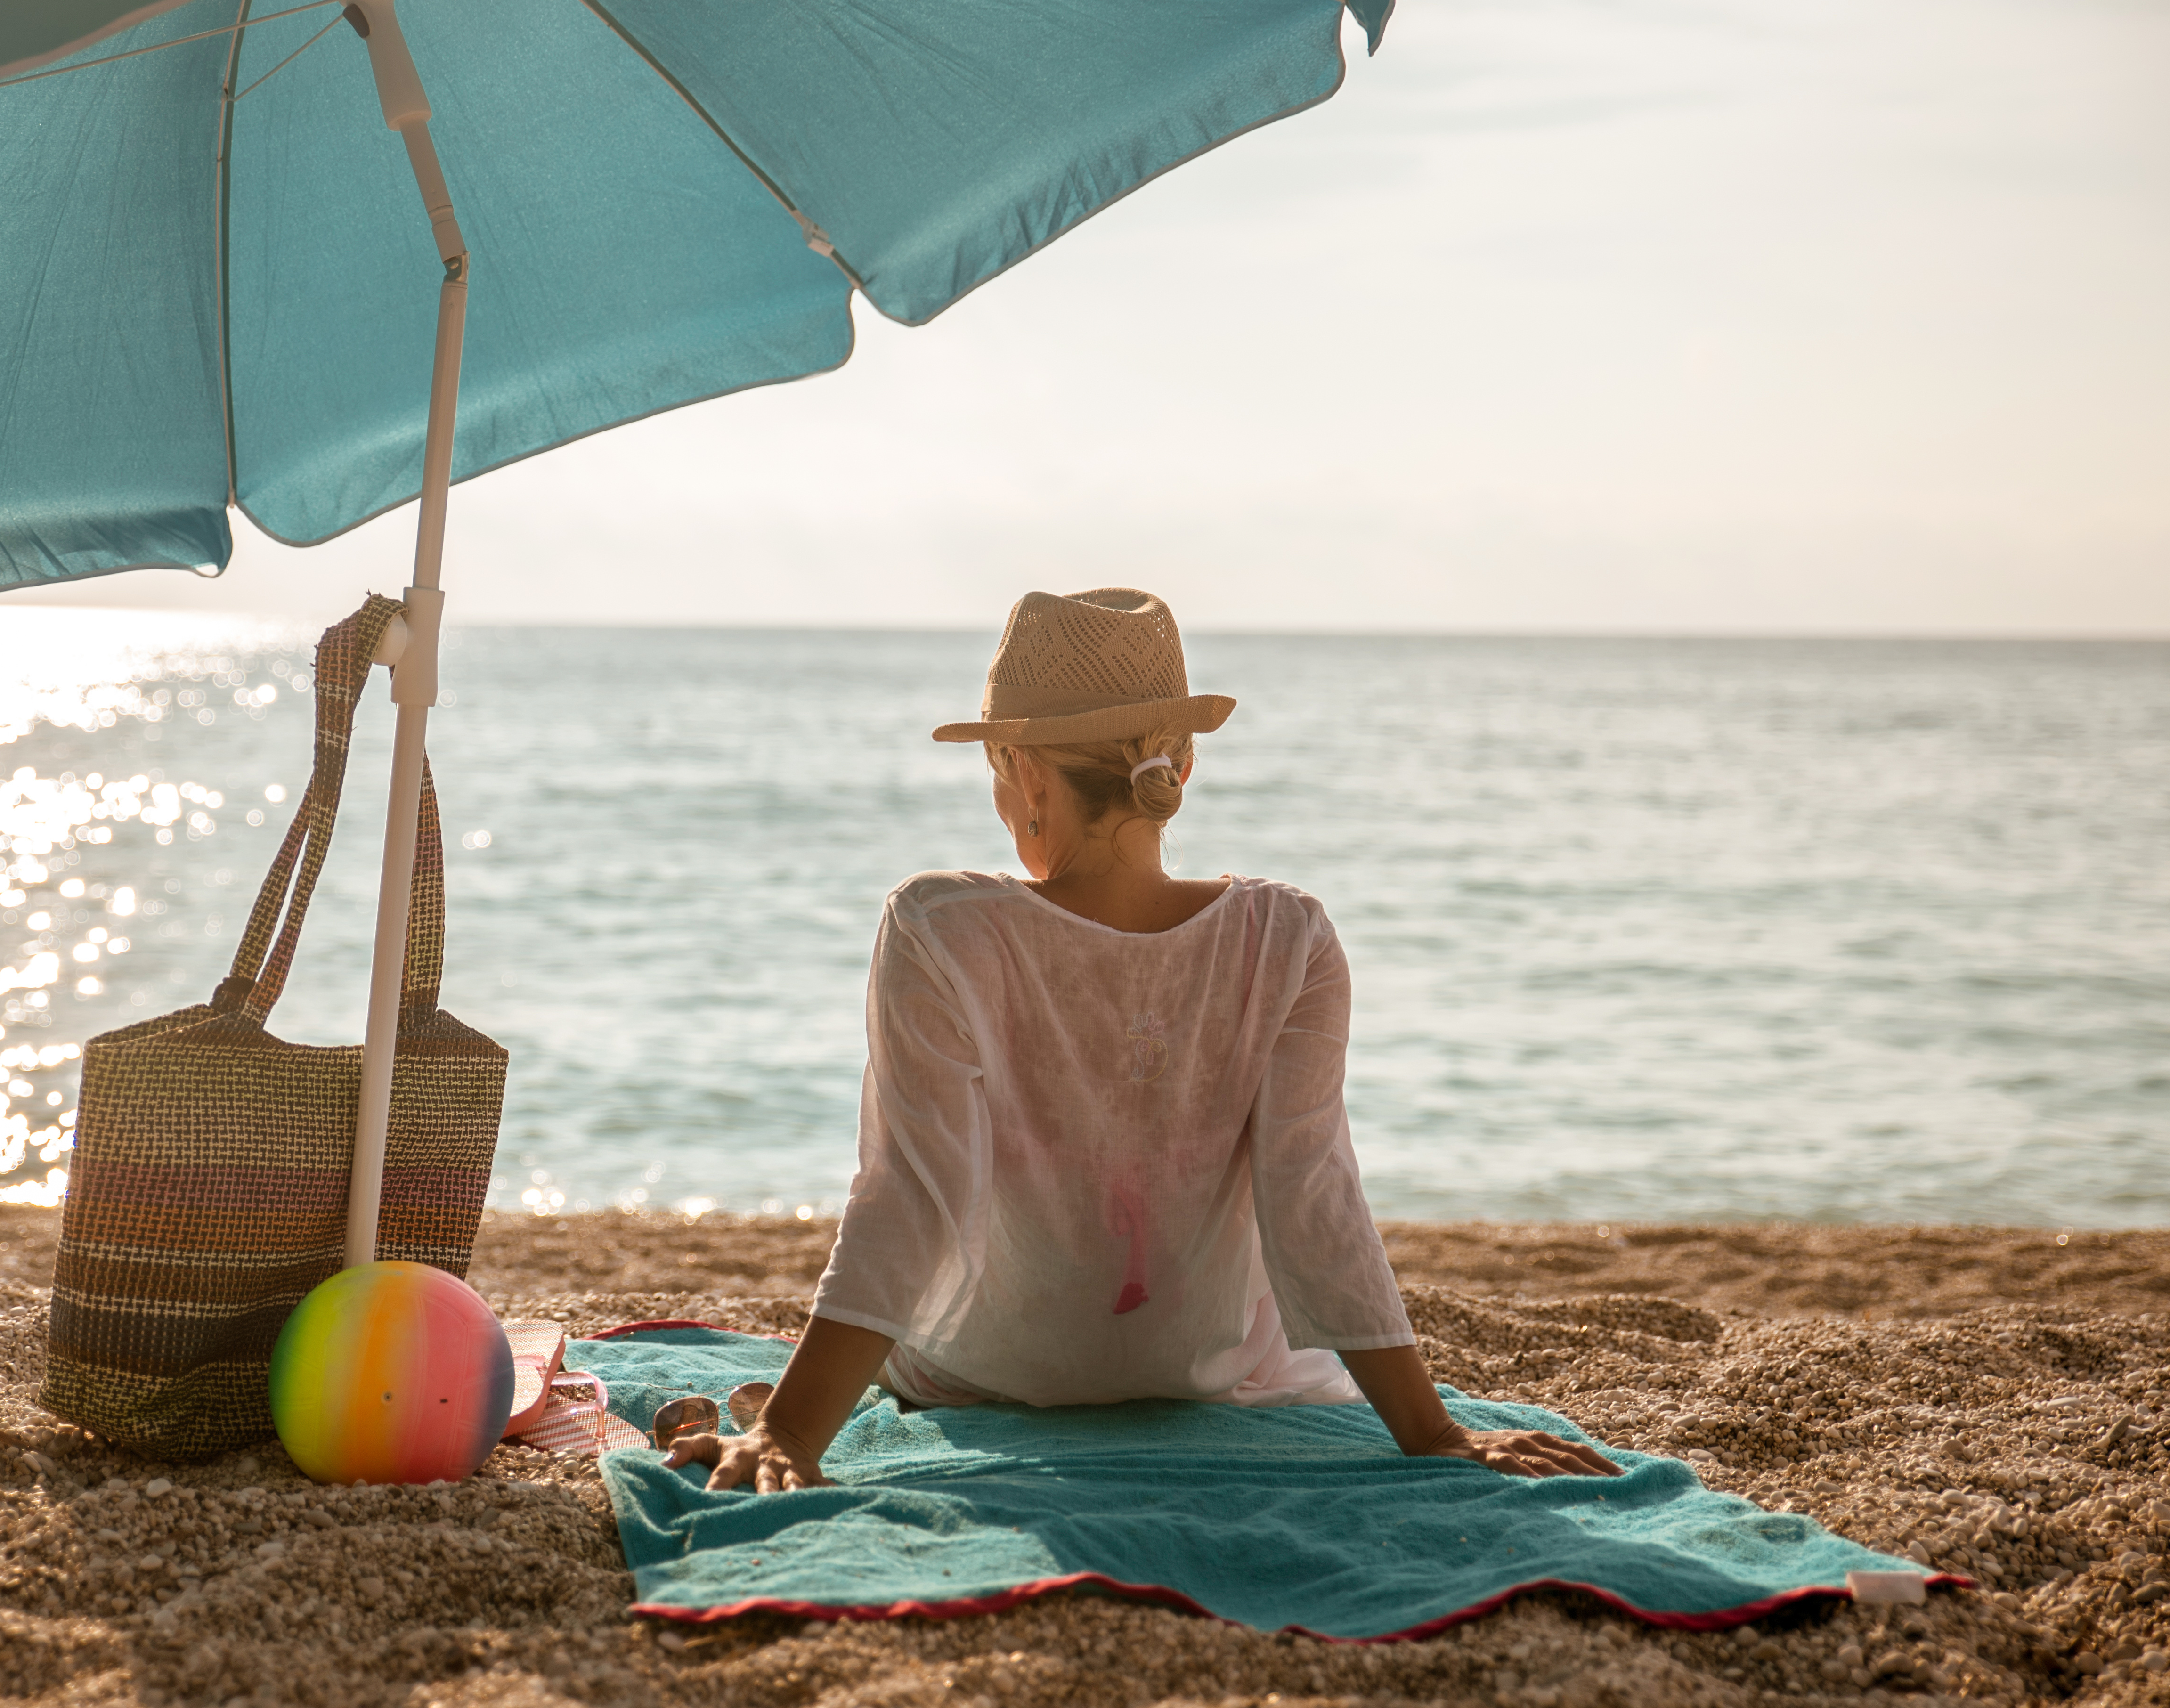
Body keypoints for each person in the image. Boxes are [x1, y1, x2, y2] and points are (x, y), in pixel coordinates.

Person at [667, 588, 1618, 1492]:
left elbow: (913, 1194)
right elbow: (1312, 1193)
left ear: (1024, 772)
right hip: (1204, 1371)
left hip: (985, 1371)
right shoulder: (1286, 937)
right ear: (1181, 767)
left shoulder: (938, 926)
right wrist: (1432, 1433)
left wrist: (791, 1432)